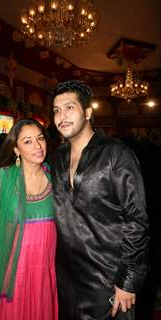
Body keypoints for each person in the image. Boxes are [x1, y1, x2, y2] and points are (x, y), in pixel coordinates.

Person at [50, 80, 149, 320]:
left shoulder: (116, 153)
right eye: (56, 110)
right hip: (66, 278)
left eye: (69, 107)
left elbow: (136, 220)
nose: (61, 116)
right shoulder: (56, 157)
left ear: (87, 112)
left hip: (107, 278)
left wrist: (127, 280)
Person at [0, 119, 58, 320]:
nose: (37, 146)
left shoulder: (55, 176)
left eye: (40, 138)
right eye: (27, 141)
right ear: (16, 150)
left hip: (44, 263)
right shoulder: (3, 177)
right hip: (13, 263)